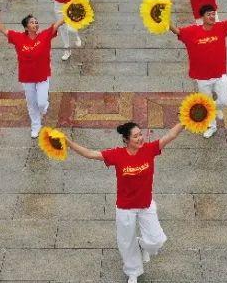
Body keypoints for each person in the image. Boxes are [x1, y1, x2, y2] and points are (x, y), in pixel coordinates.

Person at [65, 121, 185, 283]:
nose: (140, 138)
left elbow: (171, 135)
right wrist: (69, 143)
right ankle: (133, 272)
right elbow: (89, 154)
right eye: (135, 136)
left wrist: (185, 120)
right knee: (126, 242)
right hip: (125, 207)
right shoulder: (117, 155)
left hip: (146, 205)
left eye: (140, 134)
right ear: (126, 140)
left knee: (156, 241)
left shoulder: (149, 150)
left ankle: (142, 245)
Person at [167, 4, 227, 138]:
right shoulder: (192, 31)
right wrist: (167, 22)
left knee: (225, 101)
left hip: (219, 74)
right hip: (202, 77)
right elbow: (177, 32)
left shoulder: (221, 27)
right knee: (207, 102)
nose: (212, 16)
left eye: (213, 14)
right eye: (209, 14)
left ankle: (211, 108)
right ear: (202, 17)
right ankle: (212, 127)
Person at [0, 13, 65, 137]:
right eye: (32, 22)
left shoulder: (44, 35)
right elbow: (4, 30)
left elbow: (57, 24)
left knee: (41, 103)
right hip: (27, 78)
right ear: (26, 27)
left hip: (42, 76)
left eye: (36, 22)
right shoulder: (18, 37)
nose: (35, 24)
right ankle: (35, 126)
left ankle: (44, 105)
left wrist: (68, 15)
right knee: (31, 103)